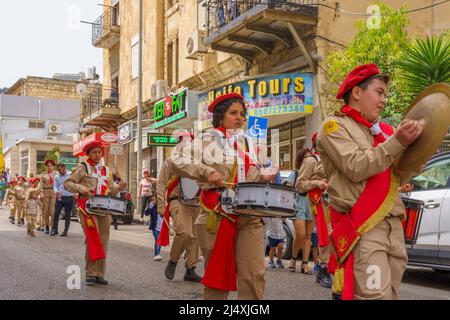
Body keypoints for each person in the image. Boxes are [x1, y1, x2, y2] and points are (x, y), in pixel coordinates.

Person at [317, 63, 424, 300]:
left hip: (393, 225)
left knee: (390, 295)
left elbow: (399, 176)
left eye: (385, 94)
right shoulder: (334, 127)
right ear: (356, 92)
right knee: (374, 297)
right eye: (379, 92)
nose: (384, 100)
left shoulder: (384, 131)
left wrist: (419, 153)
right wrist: (397, 142)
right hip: (364, 227)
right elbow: (356, 167)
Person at [171, 93, 277, 300]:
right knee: (217, 280)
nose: (239, 118)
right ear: (220, 117)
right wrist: (206, 172)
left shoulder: (247, 143)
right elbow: (177, 161)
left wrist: (264, 176)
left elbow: (249, 175)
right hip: (216, 216)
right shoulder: (207, 139)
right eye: (233, 113)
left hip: (249, 215)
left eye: (242, 114)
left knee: (254, 274)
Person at [64, 141, 124, 286]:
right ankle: (91, 273)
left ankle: (100, 274)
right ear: (89, 154)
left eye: (99, 152)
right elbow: (67, 183)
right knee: (93, 237)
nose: (97, 155)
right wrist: (81, 188)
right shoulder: (82, 167)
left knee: (104, 240)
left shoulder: (106, 170)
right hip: (88, 208)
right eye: (94, 152)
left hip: (105, 209)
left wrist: (118, 188)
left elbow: (109, 190)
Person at [157, 131, 202, 283]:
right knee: (185, 233)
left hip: (197, 203)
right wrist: (161, 203)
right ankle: (173, 261)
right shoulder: (170, 161)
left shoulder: (199, 162)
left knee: (195, 237)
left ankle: (191, 269)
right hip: (178, 201)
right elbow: (161, 182)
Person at [289, 149, 314, 275]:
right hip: (298, 202)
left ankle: (305, 263)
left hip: (311, 203)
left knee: (308, 235)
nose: (308, 159)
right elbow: (287, 185)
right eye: (305, 157)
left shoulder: (314, 173)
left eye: (310, 157)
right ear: (300, 159)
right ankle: (293, 258)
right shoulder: (295, 172)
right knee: (301, 234)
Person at [52, 163, 76, 237]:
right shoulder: (57, 176)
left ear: (64, 168)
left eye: (60, 170)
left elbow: (76, 183)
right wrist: (57, 192)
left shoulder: (71, 175)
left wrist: (76, 192)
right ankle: (55, 230)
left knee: (67, 215)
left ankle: (65, 231)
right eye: (58, 170)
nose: (59, 172)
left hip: (69, 197)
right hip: (60, 197)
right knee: (56, 214)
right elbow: (55, 186)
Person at [39, 160, 57, 234]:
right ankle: (46, 226)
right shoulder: (43, 175)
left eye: (51, 165)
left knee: (52, 211)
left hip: (53, 192)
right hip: (46, 192)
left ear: (53, 166)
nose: (49, 167)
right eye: (48, 166)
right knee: (46, 210)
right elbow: (40, 186)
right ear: (46, 166)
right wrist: (41, 194)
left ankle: (52, 226)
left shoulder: (56, 174)